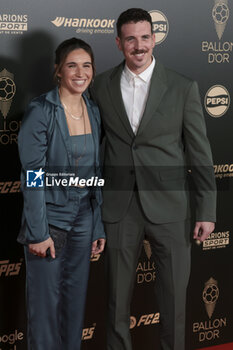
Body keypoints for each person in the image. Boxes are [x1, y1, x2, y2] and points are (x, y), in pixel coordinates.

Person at [92, 8, 216, 350]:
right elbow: (90, 150)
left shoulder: (182, 87)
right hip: (119, 208)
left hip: (172, 207)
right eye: (130, 38)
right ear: (118, 43)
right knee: (115, 302)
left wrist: (206, 210)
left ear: (155, 39)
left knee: (174, 300)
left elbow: (200, 155)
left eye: (145, 37)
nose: (139, 45)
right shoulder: (100, 85)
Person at [17, 37, 105, 350]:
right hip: (50, 221)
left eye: (86, 65)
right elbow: (33, 176)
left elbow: (95, 175)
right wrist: (38, 233)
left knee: (74, 306)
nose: (80, 72)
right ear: (58, 70)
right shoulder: (41, 110)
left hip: (84, 219)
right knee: (44, 312)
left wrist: (97, 225)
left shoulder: (93, 110)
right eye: (72, 65)